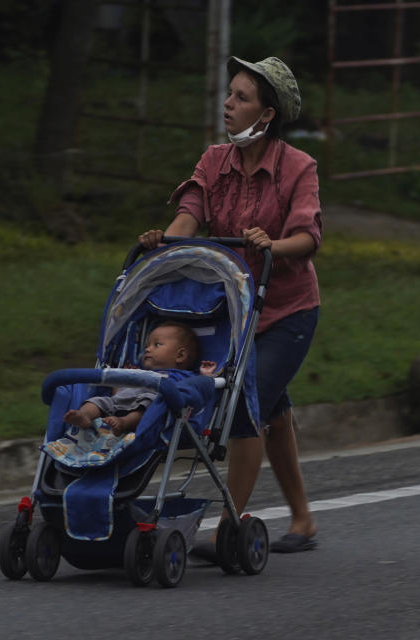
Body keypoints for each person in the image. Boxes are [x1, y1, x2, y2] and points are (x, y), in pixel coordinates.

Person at [139, 55, 321, 554]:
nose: (227, 104)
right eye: (229, 94)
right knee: (273, 409)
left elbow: (307, 236)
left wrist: (271, 246)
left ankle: (228, 525)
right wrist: (166, 244)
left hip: (286, 311)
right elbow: (189, 214)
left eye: (241, 98)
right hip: (233, 313)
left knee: (246, 405)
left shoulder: (299, 168)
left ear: (265, 115)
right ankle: (302, 519)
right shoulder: (213, 160)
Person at [63, 321, 217, 436]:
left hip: (150, 407)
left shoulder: (185, 376)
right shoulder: (139, 372)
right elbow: (118, 394)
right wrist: (123, 379)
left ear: (180, 355)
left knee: (147, 403)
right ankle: (84, 416)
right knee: (98, 400)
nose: (148, 349)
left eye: (157, 344)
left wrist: (206, 376)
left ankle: (124, 423)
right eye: (147, 345)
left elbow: (198, 388)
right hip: (119, 402)